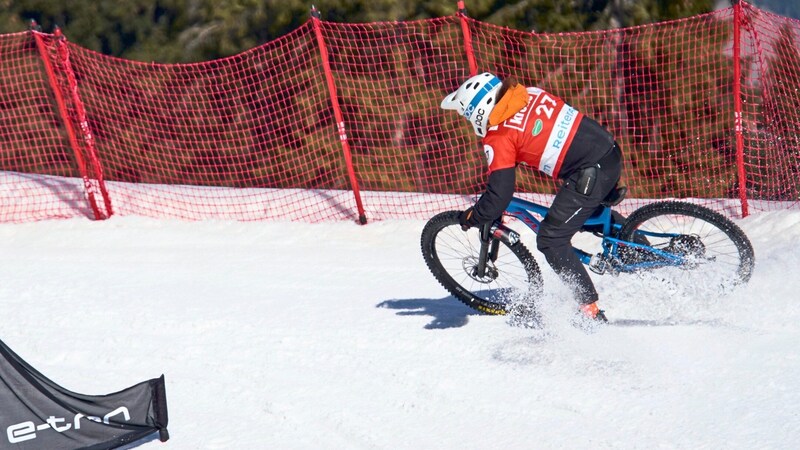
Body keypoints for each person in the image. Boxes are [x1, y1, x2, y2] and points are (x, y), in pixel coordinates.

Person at [440, 72, 626, 323]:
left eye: (466, 115)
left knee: (551, 239)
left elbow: (499, 195)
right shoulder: (529, 94)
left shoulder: (499, 136)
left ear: (478, 111)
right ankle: (637, 247)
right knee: (582, 214)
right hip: (609, 151)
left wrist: (473, 217)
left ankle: (589, 312)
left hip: (590, 172)